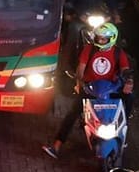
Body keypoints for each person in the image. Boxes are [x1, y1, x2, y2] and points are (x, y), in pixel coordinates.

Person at [44, 20, 134, 158]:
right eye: (99, 38)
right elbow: (80, 69)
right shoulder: (89, 49)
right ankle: (56, 146)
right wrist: (79, 82)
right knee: (72, 114)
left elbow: (125, 70)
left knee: (129, 99)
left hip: (111, 89)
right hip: (91, 89)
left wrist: (128, 82)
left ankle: (123, 132)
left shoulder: (118, 53)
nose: (100, 40)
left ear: (112, 39)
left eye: (104, 39)